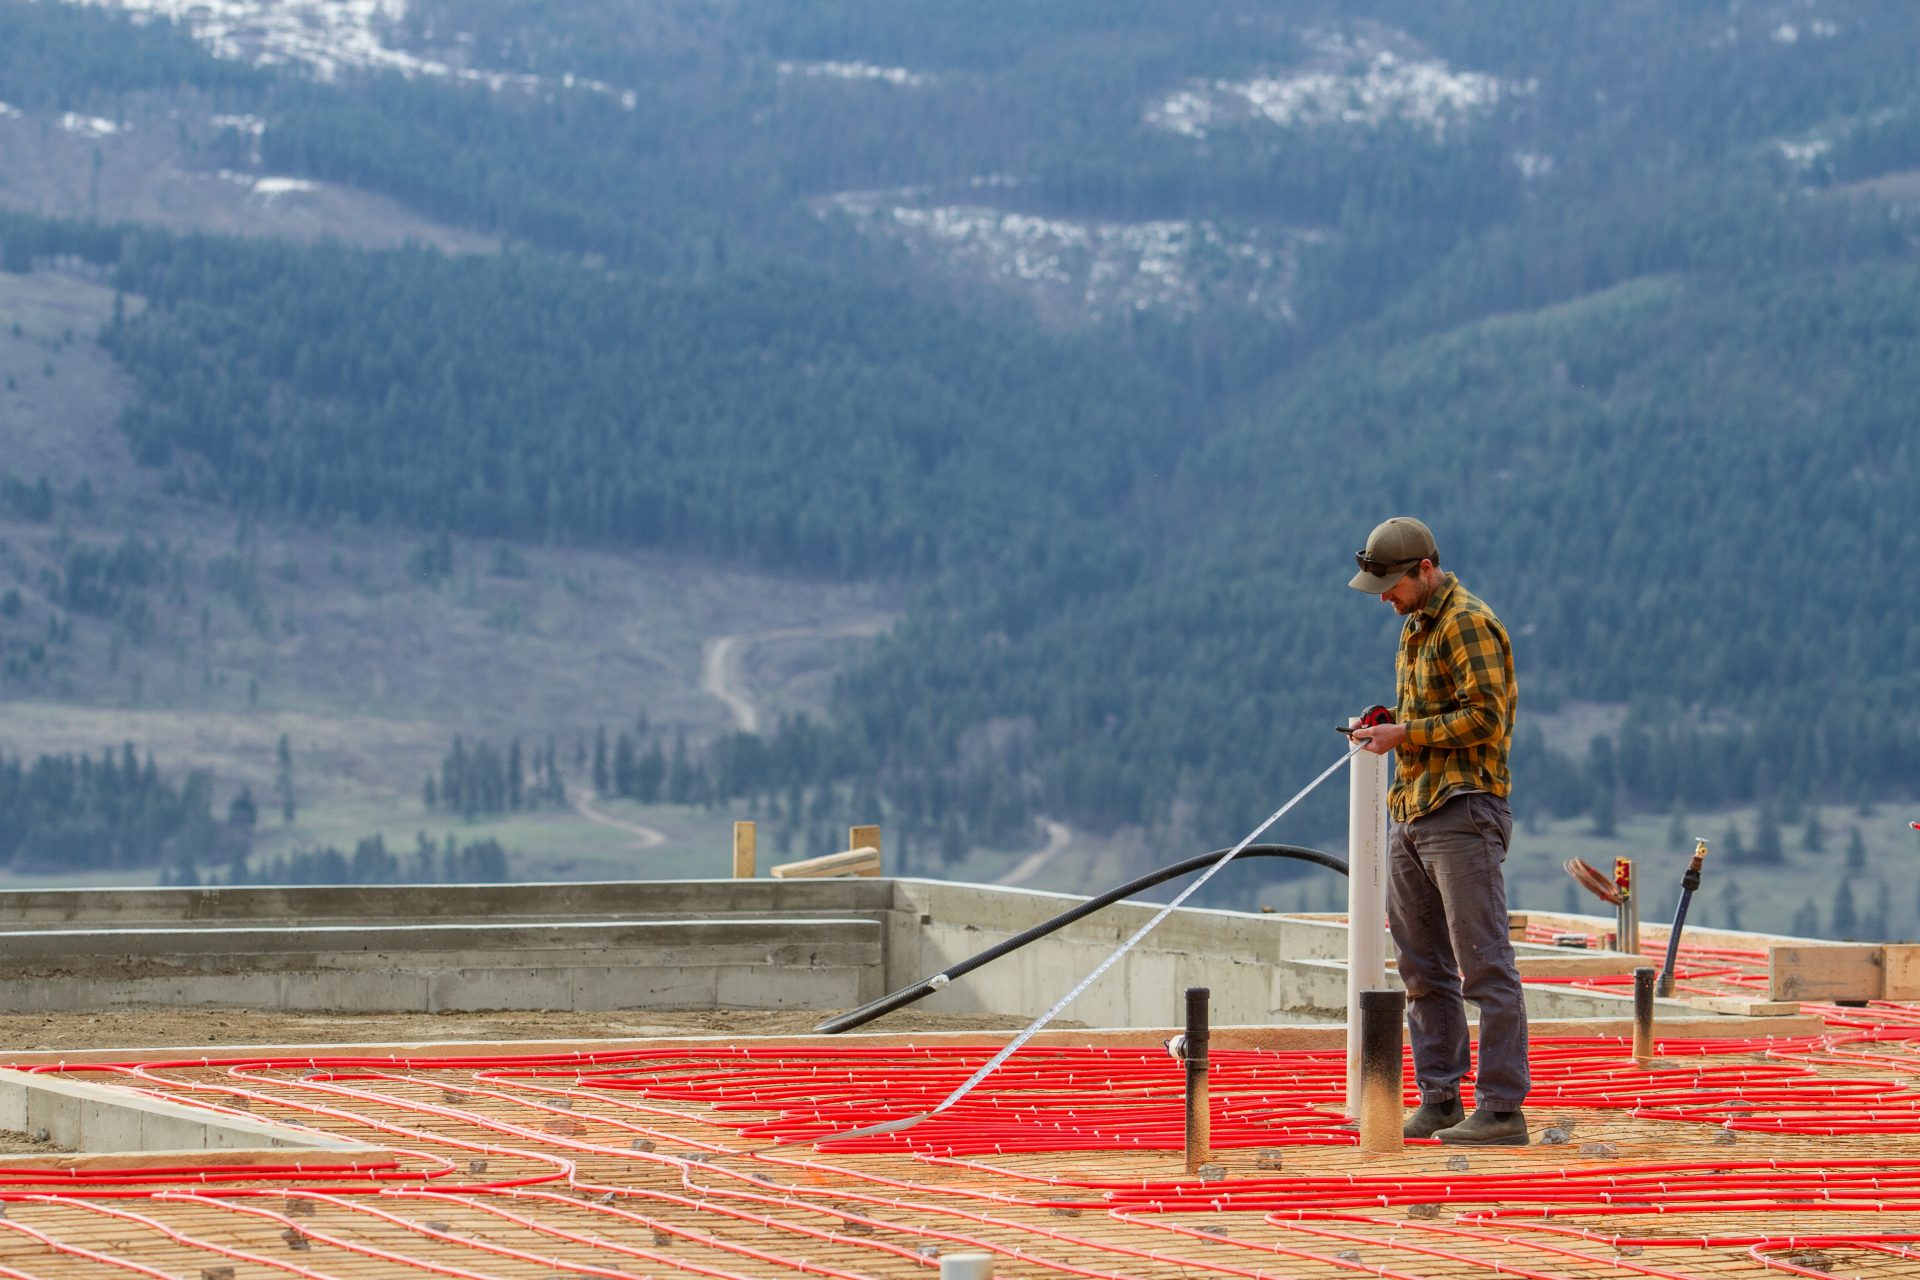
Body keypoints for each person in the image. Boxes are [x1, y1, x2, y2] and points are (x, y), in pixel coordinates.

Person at [1347, 516, 1528, 1146]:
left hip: (1464, 810)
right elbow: (1437, 711)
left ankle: (1503, 1109)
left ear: (1425, 570)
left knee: (1483, 965)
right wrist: (1391, 724)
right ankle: (1442, 1098)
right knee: (1421, 967)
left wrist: (1407, 735)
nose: (1385, 599)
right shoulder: (1417, 628)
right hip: (1416, 810)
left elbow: (1485, 716)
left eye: (1392, 585)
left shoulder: (1467, 622)